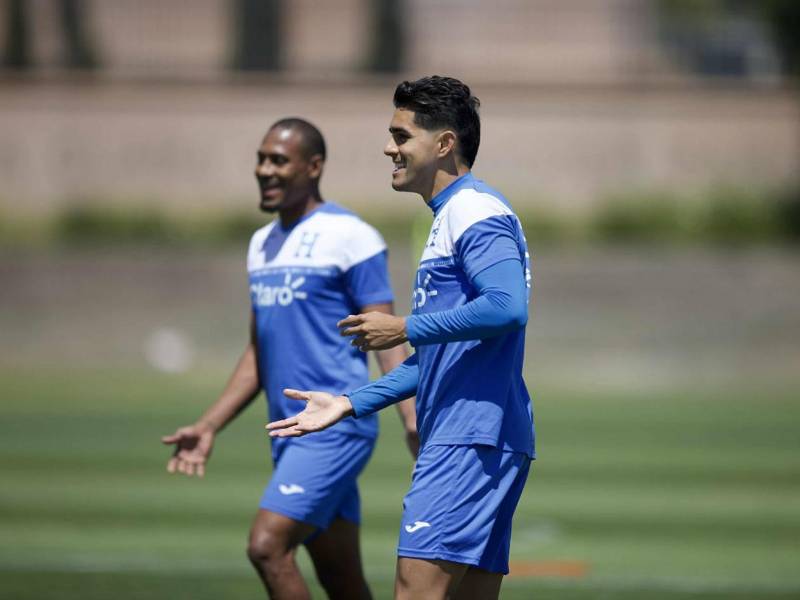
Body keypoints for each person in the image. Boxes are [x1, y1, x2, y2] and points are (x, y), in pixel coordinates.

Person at [267, 76, 535, 600]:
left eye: (401, 134)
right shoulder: (449, 216)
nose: (389, 147)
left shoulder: (472, 210)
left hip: (467, 437)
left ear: (443, 144)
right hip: (486, 435)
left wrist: (403, 327)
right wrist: (349, 403)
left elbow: (508, 307)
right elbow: (440, 359)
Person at [162, 117, 417, 600]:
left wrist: (410, 419)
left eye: (278, 160)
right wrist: (209, 425)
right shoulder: (262, 245)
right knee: (341, 579)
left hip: (334, 426)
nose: (264, 169)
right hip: (289, 431)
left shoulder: (351, 236)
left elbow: (386, 335)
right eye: (261, 158)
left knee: (266, 547)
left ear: (313, 166)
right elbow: (260, 350)